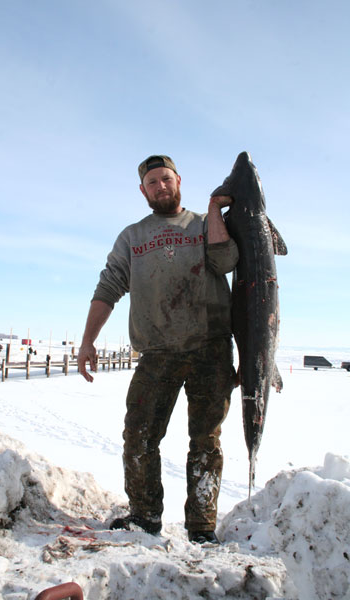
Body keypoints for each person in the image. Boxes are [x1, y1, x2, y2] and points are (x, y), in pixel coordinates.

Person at [78, 155, 239, 544]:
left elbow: (227, 261)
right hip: (158, 353)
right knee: (139, 436)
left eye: (165, 179)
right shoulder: (132, 237)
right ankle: (145, 517)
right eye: (152, 182)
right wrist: (87, 341)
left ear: (179, 180)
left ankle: (202, 528)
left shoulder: (203, 224)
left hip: (210, 349)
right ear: (142, 190)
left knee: (206, 440)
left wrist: (216, 209)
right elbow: (107, 287)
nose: (160, 186)